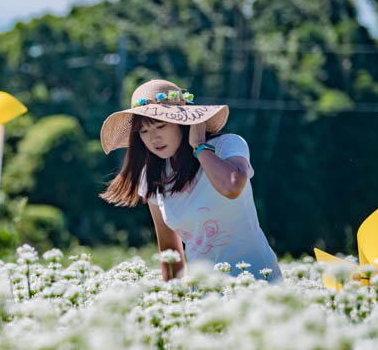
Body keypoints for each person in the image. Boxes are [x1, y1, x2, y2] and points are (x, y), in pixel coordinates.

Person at [98, 79, 282, 283]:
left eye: (161, 126)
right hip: (204, 292)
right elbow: (169, 250)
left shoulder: (227, 146)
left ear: (182, 122)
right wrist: (174, 301)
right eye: (144, 131)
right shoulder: (150, 176)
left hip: (257, 281)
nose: (154, 138)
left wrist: (199, 147)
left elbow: (232, 187)